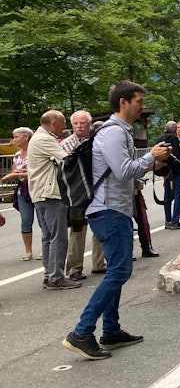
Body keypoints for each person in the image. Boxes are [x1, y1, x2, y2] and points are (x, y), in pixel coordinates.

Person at [62, 81, 170, 360]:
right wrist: (150, 156)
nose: (141, 107)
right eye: (138, 102)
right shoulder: (112, 133)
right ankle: (82, 332)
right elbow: (123, 171)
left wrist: (151, 163)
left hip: (113, 208)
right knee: (120, 271)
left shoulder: (120, 132)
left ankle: (110, 331)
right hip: (109, 210)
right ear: (123, 102)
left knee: (115, 270)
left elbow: (124, 171)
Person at [27, 110, 80, 290]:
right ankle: (56, 277)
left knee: (48, 236)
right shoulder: (45, 139)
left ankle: (49, 275)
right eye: (63, 122)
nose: (65, 126)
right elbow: (66, 159)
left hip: (40, 193)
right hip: (50, 193)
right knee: (58, 236)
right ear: (53, 124)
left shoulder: (39, 137)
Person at [61, 111, 107, 279]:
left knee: (100, 227)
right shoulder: (66, 145)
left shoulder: (98, 141)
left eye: (82, 123)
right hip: (77, 194)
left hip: (99, 190)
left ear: (90, 123)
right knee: (77, 231)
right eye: (76, 123)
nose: (79, 126)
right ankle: (74, 268)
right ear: (72, 125)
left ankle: (99, 263)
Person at [3, 127, 36, 261]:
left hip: (36, 188)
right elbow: (14, 170)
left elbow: (37, 172)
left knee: (43, 221)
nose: (14, 140)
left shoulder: (35, 153)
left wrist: (18, 174)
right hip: (22, 190)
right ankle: (28, 250)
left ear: (26, 137)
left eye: (16, 137)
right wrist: (16, 173)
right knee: (26, 220)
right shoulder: (17, 154)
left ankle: (47, 247)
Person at [155, 121, 180, 230]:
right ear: (174, 130)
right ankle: (175, 221)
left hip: (165, 172)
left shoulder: (159, 139)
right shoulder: (174, 139)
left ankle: (168, 220)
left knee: (167, 195)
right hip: (177, 172)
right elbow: (177, 155)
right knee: (178, 195)